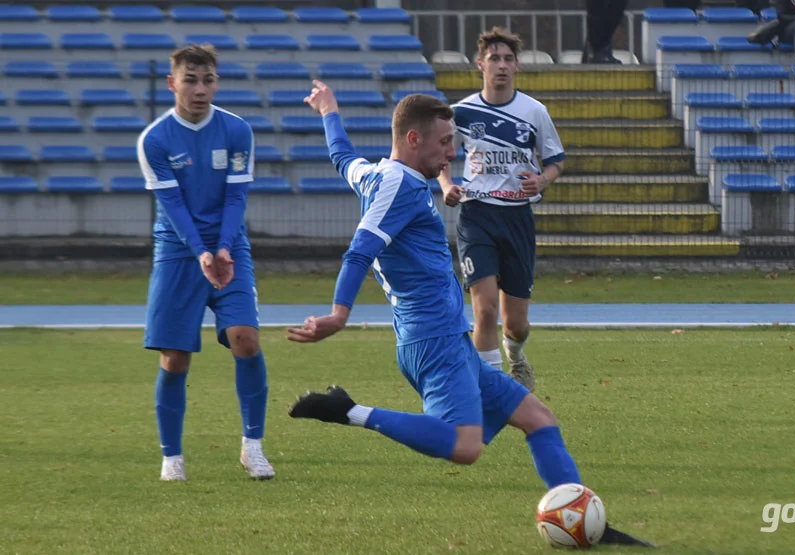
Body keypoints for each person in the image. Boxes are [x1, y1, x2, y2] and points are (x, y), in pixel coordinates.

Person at [285, 81, 652, 548]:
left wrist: (329, 111)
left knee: (538, 417)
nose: (451, 155)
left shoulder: (375, 174)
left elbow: (341, 156)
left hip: (447, 338)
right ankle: (349, 410)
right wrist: (339, 313)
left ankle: (584, 522)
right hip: (431, 338)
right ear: (413, 139)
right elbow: (359, 251)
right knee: (464, 446)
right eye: (444, 143)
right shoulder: (397, 184)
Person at [137, 44, 273, 482]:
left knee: (245, 340)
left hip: (230, 246)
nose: (200, 89)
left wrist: (225, 247)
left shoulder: (236, 131)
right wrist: (201, 252)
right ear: (172, 83)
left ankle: (252, 447)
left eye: (208, 80)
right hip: (179, 252)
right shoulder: (155, 140)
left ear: (217, 82)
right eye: (190, 80)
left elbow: (237, 196)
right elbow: (173, 206)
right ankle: (172, 457)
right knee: (175, 358)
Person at [438, 28, 566, 393]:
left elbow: (556, 161)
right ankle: (487, 392)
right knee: (485, 309)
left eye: (508, 59)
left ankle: (516, 353)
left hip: (517, 218)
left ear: (517, 67)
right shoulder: (460, 112)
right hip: (476, 215)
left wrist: (542, 180)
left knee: (516, 324)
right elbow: (442, 156)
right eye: (494, 58)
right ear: (480, 64)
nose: (502, 66)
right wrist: (447, 186)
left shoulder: (534, 112)